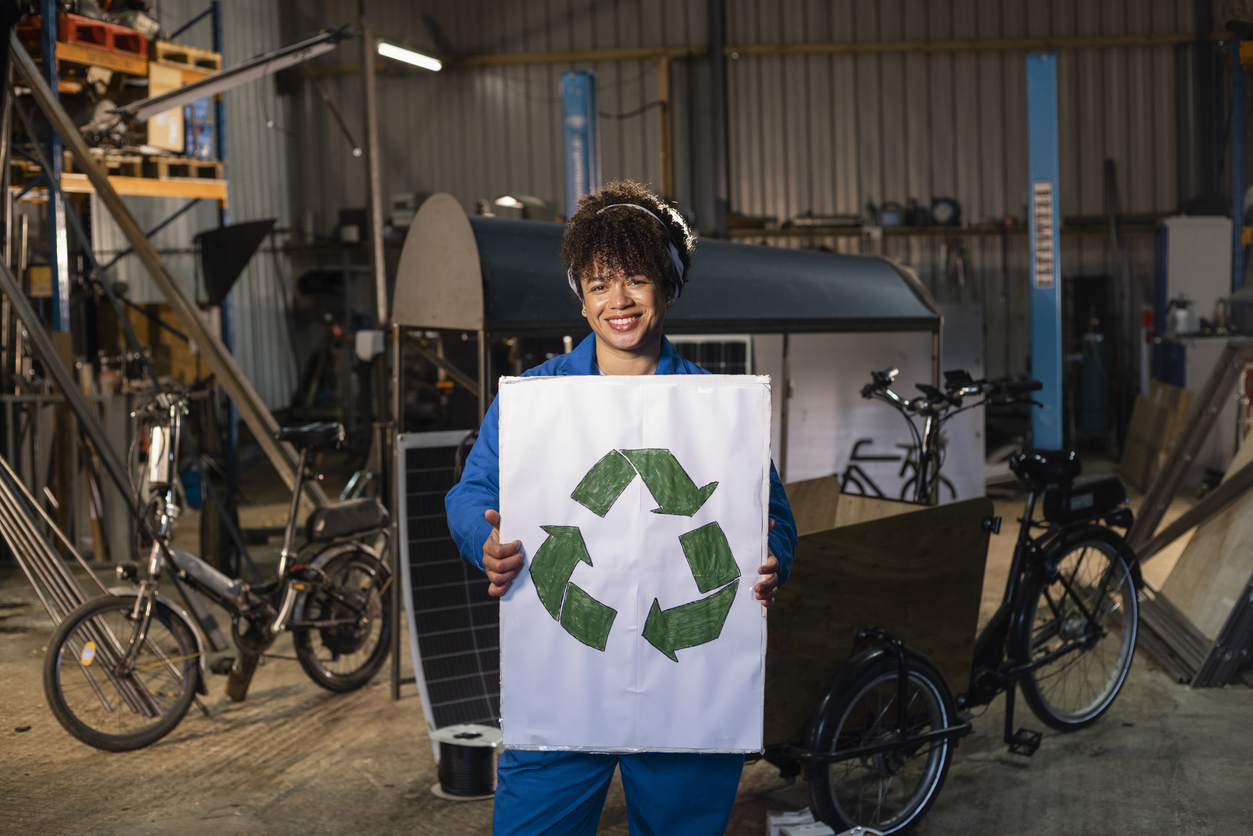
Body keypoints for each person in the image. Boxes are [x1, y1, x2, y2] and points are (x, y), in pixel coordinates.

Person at [445, 179, 798, 835]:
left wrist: (773, 553)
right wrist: (482, 540)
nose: (619, 300)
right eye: (601, 281)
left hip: (686, 689)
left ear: (667, 286)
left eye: (636, 279)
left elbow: (772, 515)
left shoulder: (715, 412)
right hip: (562, 676)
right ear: (579, 293)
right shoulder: (534, 403)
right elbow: (470, 494)